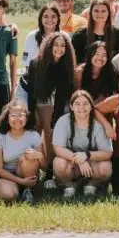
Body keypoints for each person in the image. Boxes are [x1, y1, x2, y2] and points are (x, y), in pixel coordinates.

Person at [18, 32, 76, 176]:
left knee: (51, 132)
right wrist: (31, 114)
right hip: (37, 102)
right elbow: (32, 92)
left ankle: (50, 169)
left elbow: (62, 97)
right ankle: (32, 169)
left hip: (57, 104)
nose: (59, 48)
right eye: (55, 45)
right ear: (49, 46)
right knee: (34, 130)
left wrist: (55, 119)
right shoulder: (36, 64)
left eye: (63, 45)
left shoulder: (67, 66)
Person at [51, 90, 113, 200]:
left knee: (105, 167)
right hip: (72, 164)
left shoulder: (98, 125)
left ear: (91, 107)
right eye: (77, 104)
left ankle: (92, 184)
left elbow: (107, 153)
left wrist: (86, 155)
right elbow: (58, 149)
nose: (81, 107)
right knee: (59, 163)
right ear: (71, 107)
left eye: (85, 104)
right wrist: (80, 160)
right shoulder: (63, 121)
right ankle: (69, 185)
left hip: (91, 165)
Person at [0, 100, 46, 205]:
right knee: (8, 195)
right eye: (13, 115)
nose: (17, 119)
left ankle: (28, 190)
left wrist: (39, 156)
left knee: (27, 156)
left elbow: (44, 167)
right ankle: (18, 191)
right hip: (7, 176)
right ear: (7, 119)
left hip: (28, 173)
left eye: (21, 115)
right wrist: (21, 181)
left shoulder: (34, 135)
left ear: (26, 118)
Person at [72, 0, 119, 65]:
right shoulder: (80, 34)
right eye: (96, 11)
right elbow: (74, 59)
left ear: (108, 13)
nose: (100, 14)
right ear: (91, 12)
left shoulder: (118, 33)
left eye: (103, 11)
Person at [21, 4, 60, 71]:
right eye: (46, 16)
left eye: (53, 16)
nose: (49, 20)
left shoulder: (64, 36)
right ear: (40, 18)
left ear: (58, 18)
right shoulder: (31, 36)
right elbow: (26, 62)